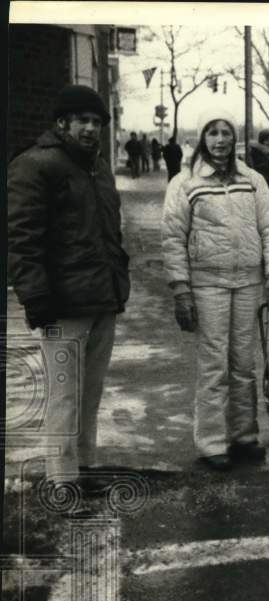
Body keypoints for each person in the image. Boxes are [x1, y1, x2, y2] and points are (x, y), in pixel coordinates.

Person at [7, 85, 130, 496]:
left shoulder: (98, 168)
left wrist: (118, 283)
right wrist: (35, 297)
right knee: (64, 398)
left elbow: (110, 234)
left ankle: (85, 467)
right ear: (62, 124)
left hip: (101, 299)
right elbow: (22, 239)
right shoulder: (35, 166)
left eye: (97, 122)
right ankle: (62, 481)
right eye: (83, 121)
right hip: (63, 304)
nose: (91, 129)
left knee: (89, 396)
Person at [161, 110, 269, 470]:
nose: (220, 140)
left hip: (248, 281)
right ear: (203, 138)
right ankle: (213, 442)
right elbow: (172, 238)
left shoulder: (253, 180)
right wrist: (181, 289)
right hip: (207, 284)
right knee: (214, 364)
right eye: (212, 133)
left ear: (235, 139)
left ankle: (244, 436)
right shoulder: (184, 182)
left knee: (243, 364)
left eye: (226, 133)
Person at [247, 128, 269, 200]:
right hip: (262, 190)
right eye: (266, 140)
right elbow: (261, 173)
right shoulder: (258, 154)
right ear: (261, 142)